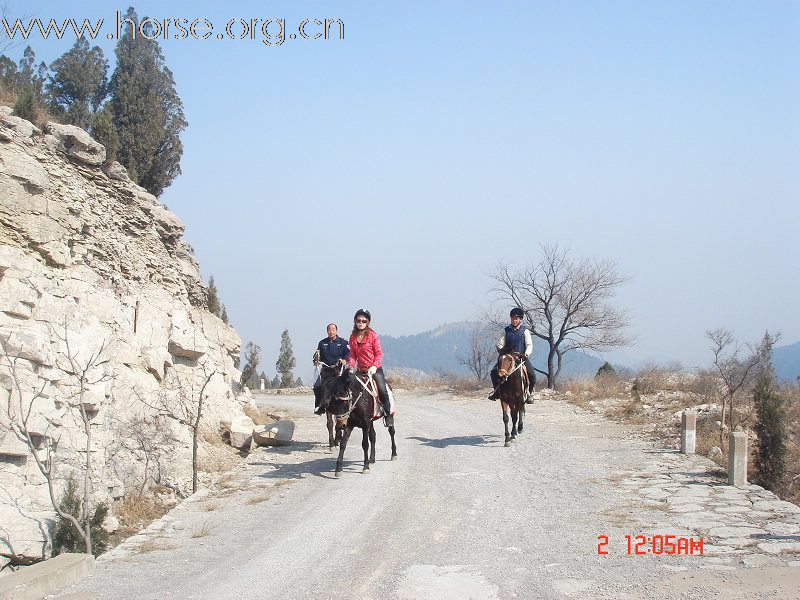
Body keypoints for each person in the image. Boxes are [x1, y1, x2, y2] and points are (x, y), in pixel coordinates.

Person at [347, 309, 393, 427]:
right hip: (360, 371)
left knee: (382, 390)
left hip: (374, 370)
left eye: (364, 321)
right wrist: (351, 367)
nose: (361, 323)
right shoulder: (352, 337)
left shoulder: (373, 336)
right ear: (355, 321)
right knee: (349, 389)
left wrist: (374, 366)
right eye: (358, 320)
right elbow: (352, 355)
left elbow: (379, 354)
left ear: (367, 322)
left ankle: (388, 415)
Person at [488, 307, 536, 402]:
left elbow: (529, 345)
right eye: (513, 318)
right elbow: (501, 343)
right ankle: (497, 392)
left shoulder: (525, 331)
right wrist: (501, 349)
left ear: (520, 320)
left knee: (532, 375)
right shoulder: (506, 330)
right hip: (507, 358)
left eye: (516, 318)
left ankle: (529, 394)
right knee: (493, 372)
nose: (514, 320)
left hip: (521, 358)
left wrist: (526, 354)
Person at [312, 323, 349, 414]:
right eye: (329, 329)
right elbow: (317, 356)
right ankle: (319, 406)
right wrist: (316, 361)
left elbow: (348, 354)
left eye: (333, 329)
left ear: (336, 331)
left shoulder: (343, 342)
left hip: (338, 370)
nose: (331, 331)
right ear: (327, 331)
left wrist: (345, 360)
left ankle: (351, 405)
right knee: (317, 386)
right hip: (326, 371)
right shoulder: (322, 343)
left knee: (348, 385)